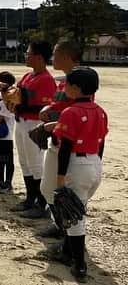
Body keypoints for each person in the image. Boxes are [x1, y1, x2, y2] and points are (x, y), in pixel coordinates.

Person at [51, 67, 108, 282]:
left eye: (67, 85)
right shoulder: (101, 111)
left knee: (74, 216)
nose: (64, 88)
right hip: (94, 163)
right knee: (78, 208)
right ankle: (67, 251)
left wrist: (59, 177)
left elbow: (65, 147)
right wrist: (96, 164)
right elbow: (102, 142)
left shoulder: (71, 112)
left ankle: (80, 264)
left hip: (77, 164)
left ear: (76, 88)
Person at [38, 40, 83, 239]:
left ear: (65, 56)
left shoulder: (81, 80)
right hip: (56, 139)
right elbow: (60, 104)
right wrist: (50, 109)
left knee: (65, 191)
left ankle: (69, 237)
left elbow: (78, 114)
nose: (52, 58)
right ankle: (60, 225)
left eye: (55, 54)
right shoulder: (64, 80)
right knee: (47, 187)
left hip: (69, 144)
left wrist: (54, 124)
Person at [8, 41, 56, 219]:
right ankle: (30, 199)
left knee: (36, 165)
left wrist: (20, 104)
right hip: (21, 122)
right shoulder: (29, 76)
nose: (25, 55)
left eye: (28, 53)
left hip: (33, 124)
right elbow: (16, 92)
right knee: (24, 162)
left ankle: (41, 205)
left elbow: (45, 108)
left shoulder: (46, 79)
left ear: (39, 57)